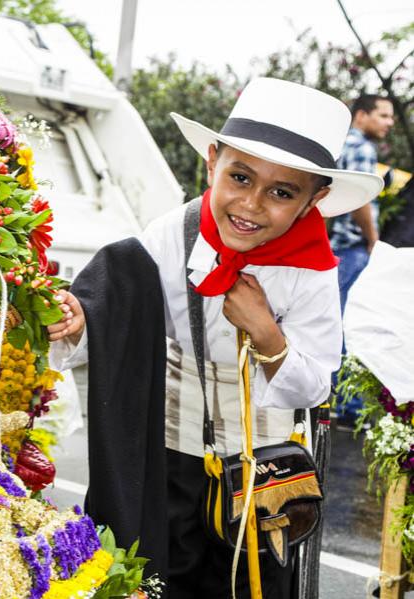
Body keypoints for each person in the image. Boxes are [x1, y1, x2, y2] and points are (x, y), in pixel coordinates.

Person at [48, 78, 383, 598]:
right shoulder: (171, 235)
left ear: (313, 199)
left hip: (266, 474)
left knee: (255, 586)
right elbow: (117, 314)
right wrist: (80, 323)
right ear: (212, 163)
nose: (250, 204)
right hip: (171, 460)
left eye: (281, 192)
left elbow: (315, 387)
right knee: (162, 578)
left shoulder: (313, 271)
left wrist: (268, 333)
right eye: (240, 177)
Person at [328, 94, 394, 426]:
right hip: (353, 248)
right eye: (383, 115)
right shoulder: (362, 148)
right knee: (347, 326)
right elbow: (361, 200)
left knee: (338, 321)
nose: (389, 122)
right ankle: (348, 407)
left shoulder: (343, 143)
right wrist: (373, 240)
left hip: (339, 246)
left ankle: (338, 402)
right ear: (361, 115)